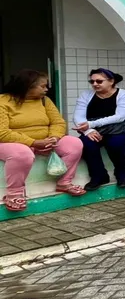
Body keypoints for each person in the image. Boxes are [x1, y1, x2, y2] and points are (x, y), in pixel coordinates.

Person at [1, 69, 85, 211]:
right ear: (28, 86)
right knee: (22, 154)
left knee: (74, 143)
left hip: (45, 140)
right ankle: (14, 194)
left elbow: (58, 122)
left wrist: (53, 138)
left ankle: (64, 182)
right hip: (11, 143)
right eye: (43, 86)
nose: (47, 89)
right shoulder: (3, 101)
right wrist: (33, 143)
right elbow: (2, 132)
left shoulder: (45, 101)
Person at [73, 68, 125, 190]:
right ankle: (99, 176)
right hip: (95, 130)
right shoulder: (86, 95)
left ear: (111, 81)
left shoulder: (124, 94)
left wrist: (91, 124)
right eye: (92, 82)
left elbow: (120, 117)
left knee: (115, 143)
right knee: (86, 143)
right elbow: (78, 116)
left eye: (99, 81)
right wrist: (88, 131)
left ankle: (122, 174)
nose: (95, 84)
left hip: (120, 129)